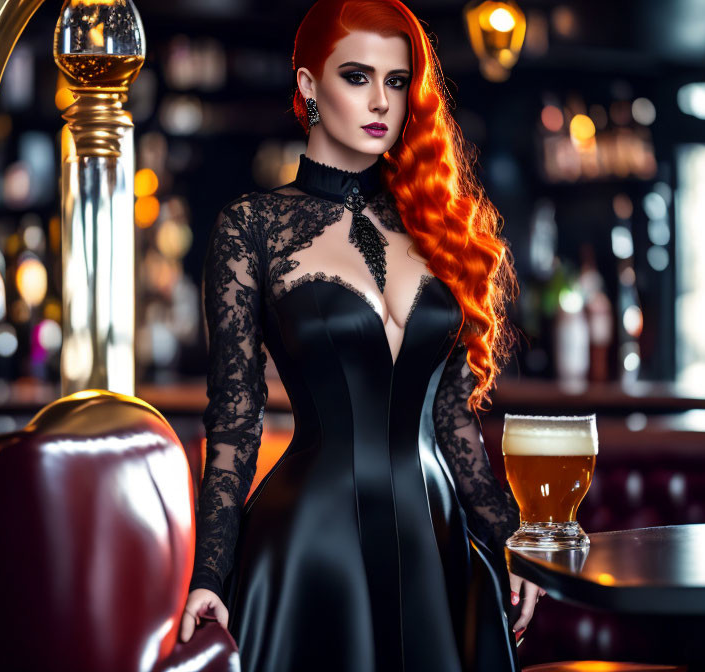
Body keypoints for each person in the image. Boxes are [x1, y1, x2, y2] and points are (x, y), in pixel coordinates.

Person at [180, 0, 545, 669]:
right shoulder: (250, 227)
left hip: (436, 536)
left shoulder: (438, 225)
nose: (381, 101)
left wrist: (504, 540)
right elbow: (235, 422)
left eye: (397, 80)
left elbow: (452, 419)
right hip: (311, 543)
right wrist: (209, 571)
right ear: (309, 87)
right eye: (357, 76)